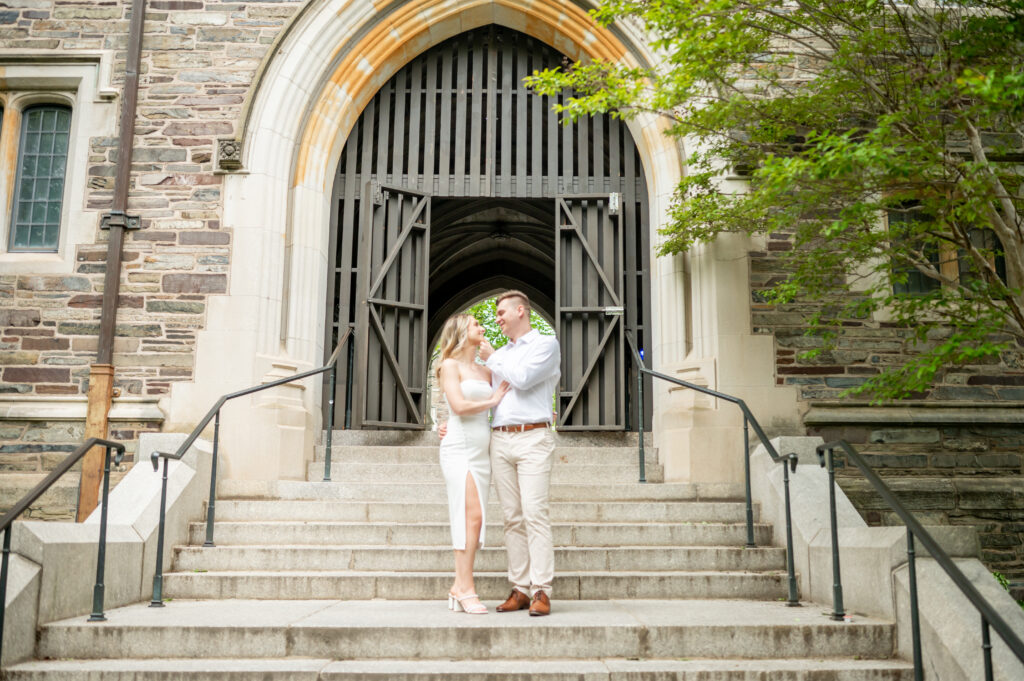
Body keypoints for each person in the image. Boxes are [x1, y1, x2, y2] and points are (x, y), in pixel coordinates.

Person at [480, 290, 560, 617]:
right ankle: (520, 588)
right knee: (511, 517)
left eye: (501, 312)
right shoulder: (501, 353)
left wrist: (493, 358)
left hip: (533, 437)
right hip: (500, 438)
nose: (497, 318)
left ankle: (542, 589)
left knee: (534, 513)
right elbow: (487, 393)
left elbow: (524, 379)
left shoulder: (545, 345)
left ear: (521, 311)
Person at [435, 314, 510, 614]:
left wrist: (494, 359)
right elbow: (458, 406)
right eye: (476, 324)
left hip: (483, 450)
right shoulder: (449, 366)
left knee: (475, 519)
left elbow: (511, 393)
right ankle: (465, 587)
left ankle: (459, 586)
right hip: (458, 447)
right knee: (470, 515)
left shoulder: (486, 369)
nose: (483, 328)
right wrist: (492, 402)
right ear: (462, 332)